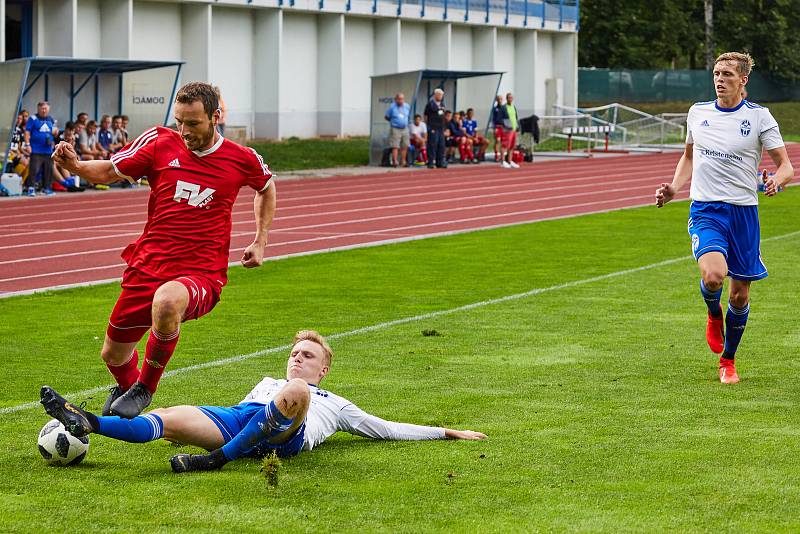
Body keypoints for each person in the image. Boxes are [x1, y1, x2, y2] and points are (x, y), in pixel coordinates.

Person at [50, 81, 277, 418]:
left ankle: (146, 387)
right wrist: (78, 167)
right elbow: (113, 169)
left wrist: (260, 240)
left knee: (168, 300)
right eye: (179, 122)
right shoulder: (158, 141)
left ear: (215, 117)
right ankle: (130, 391)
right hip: (148, 265)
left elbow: (266, 186)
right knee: (112, 354)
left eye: (193, 123)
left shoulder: (241, 158)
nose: (184, 131)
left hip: (202, 273)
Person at [40, 330, 486, 473]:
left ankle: (216, 460)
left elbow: (387, 428)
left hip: (288, 434)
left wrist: (446, 431)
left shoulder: (332, 400)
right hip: (243, 421)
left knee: (293, 393)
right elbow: (243, 413)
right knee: (168, 417)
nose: (297, 357)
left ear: (324, 367)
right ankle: (89, 423)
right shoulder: (269, 378)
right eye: (295, 352)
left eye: (307, 354)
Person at [655, 52, 793, 384]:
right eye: (716, 73)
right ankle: (712, 312)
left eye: (727, 74)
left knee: (740, 294)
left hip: (744, 213)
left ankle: (727, 360)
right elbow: (688, 156)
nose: (719, 79)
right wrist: (674, 187)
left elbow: (786, 165)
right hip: (706, 209)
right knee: (714, 276)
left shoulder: (760, 118)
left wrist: (776, 180)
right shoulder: (697, 112)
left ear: (743, 80)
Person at [24, 101, 59, 196]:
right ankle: (31, 188)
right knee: (34, 169)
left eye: (46, 109)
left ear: (49, 109)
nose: (44, 111)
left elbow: (55, 132)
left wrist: (55, 132)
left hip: (48, 150)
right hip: (36, 149)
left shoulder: (51, 119)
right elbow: (27, 132)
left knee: (48, 170)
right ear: (38, 109)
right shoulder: (33, 118)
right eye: (42, 108)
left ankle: (46, 188)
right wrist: (27, 145)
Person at [384, 92, 411, 167]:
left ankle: (403, 161)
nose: (401, 101)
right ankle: (395, 161)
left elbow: (408, 116)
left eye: (402, 99)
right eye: (399, 99)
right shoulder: (392, 107)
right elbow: (386, 116)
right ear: (396, 100)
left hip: (405, 128)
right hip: (395, 128)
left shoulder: (407, 106)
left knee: (405, 145)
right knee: (395, 145)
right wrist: (394, 121)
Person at [424, 88, 447, 169]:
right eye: (439, 95)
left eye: (442, 95)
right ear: (435, 95)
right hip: (433, 127)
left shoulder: (442, 104)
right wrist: (429, 127)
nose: (440, 96)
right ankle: (430, 162)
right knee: (432, 145)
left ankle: (440, 162)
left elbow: (443, 115)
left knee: (441, 145)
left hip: (441, 128)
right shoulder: (430, 104)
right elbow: (426, 116)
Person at [503, 93, 520, 169]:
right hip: (507, 129)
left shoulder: (513, 107)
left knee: (512, 146)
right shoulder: (504, 107)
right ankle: (503, 161)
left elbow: (515, 117)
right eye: (509, 98)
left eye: (511, 98)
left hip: (514, 129)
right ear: (507, 99)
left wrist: (517, 127)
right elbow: (500, 118)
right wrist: (505, 126)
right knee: (505, 145)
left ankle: (510, 161)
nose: (510, 99)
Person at [491, 95, 507, 166]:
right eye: (498, 99)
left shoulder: (504, 108)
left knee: (503, 142)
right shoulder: (494, 109)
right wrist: (494, 127)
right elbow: (492, 118)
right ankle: (496, 155)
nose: (500, 100)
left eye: (501, 99)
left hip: (504, 127)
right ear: (496, 100)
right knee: (497, 140)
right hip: (497, 126)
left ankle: (502, 155)